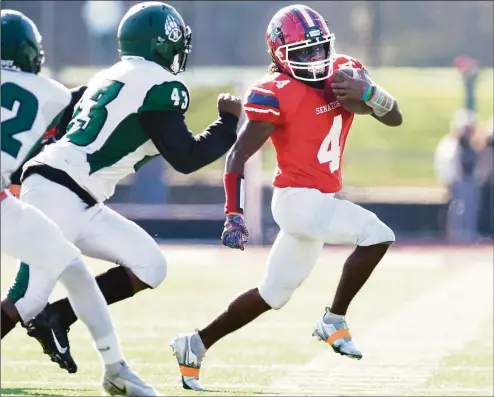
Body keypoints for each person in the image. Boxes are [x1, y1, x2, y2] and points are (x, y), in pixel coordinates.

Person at [170, 4, 402, 390]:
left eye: (319, 49)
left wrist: (372, 93)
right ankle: (334, 319)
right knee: (378, 235)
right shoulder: (275, 91)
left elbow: (393, 117)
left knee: (273, 294)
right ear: (280, 54)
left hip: (316, 202)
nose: (315, 59)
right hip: (297, 200)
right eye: (304, 53)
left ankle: (195, 343)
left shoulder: (343, 74)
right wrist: (234, 213)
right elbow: (238, 154)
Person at [1, 1, 241, 375]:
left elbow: (58, 124)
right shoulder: (161, 85)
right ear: (164, 43)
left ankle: (57, 317)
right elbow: (186, 157)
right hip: (59, 190)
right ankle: (43, 312)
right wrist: (227, 126)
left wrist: (22, 175)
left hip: (77, 194)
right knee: (25, 298)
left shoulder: (110, 76)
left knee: (150, 264)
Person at [1, 10, 157, 396]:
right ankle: (115, 368)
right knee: (62, 274)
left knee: (66, 268)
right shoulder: (49, 93)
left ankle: (115, 369)